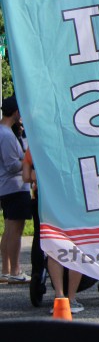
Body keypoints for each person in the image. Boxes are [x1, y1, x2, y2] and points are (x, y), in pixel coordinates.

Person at [22, 146, 84, 312]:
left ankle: (59, 296)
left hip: (46, 202)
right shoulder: (72, 142)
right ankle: (72, 298)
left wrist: (39, 176)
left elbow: (26, 176)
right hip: (73, 199)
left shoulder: (35, 145)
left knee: (53, 248)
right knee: (75, 246)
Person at [0, 96, 31, 284]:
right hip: (15, 187)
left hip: (7, 187)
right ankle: (15, 270)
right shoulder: (6, 135)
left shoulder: (4, 132)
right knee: (15, 230)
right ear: (16, 112)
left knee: (9, 229)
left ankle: (6, 270)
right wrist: (27, 161)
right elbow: (12, 165)